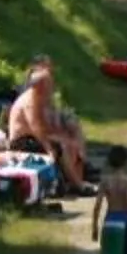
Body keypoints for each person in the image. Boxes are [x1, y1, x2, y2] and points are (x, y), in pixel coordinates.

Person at [7, 60, 90, 190]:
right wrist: (49, 148)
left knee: (70, 141)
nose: (51, 88)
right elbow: (36, 128)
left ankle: (76, 179)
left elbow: (45, 126)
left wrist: (63, 136)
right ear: (39, 87)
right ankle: (78, 185)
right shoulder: (29, 101)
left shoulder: (40, 100)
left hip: (34, 138)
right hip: (22, 142)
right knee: (60, 146)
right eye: (48, 85)